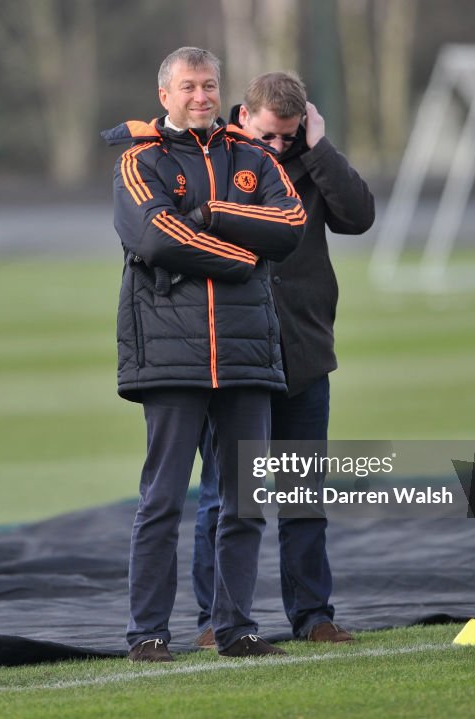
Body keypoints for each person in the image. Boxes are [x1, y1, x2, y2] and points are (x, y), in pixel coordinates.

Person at [102, 47, 306, 662]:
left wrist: (215, 212)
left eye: (209, 86)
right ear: (164, 94)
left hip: (245, 354)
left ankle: (236, 626)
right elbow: (153, 234)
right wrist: (243, 256)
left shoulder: (252, 156)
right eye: (188, 86)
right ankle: (148, 634)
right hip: (170, 356)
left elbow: (290, 224)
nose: (200, 96)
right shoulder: (139, 158)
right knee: (162, 501)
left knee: (244, 502)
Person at [191, 71, 375, 648]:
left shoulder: (307, 161)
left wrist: (319, 149)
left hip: (304, 351)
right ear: (243, 116)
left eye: (288, 139)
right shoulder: (208, 162)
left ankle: (313, 616)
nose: (277, 149)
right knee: (225, 497)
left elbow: (358, 215)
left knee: (303, 497)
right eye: (269, 137)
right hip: (235, 356)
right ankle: (213, 622)